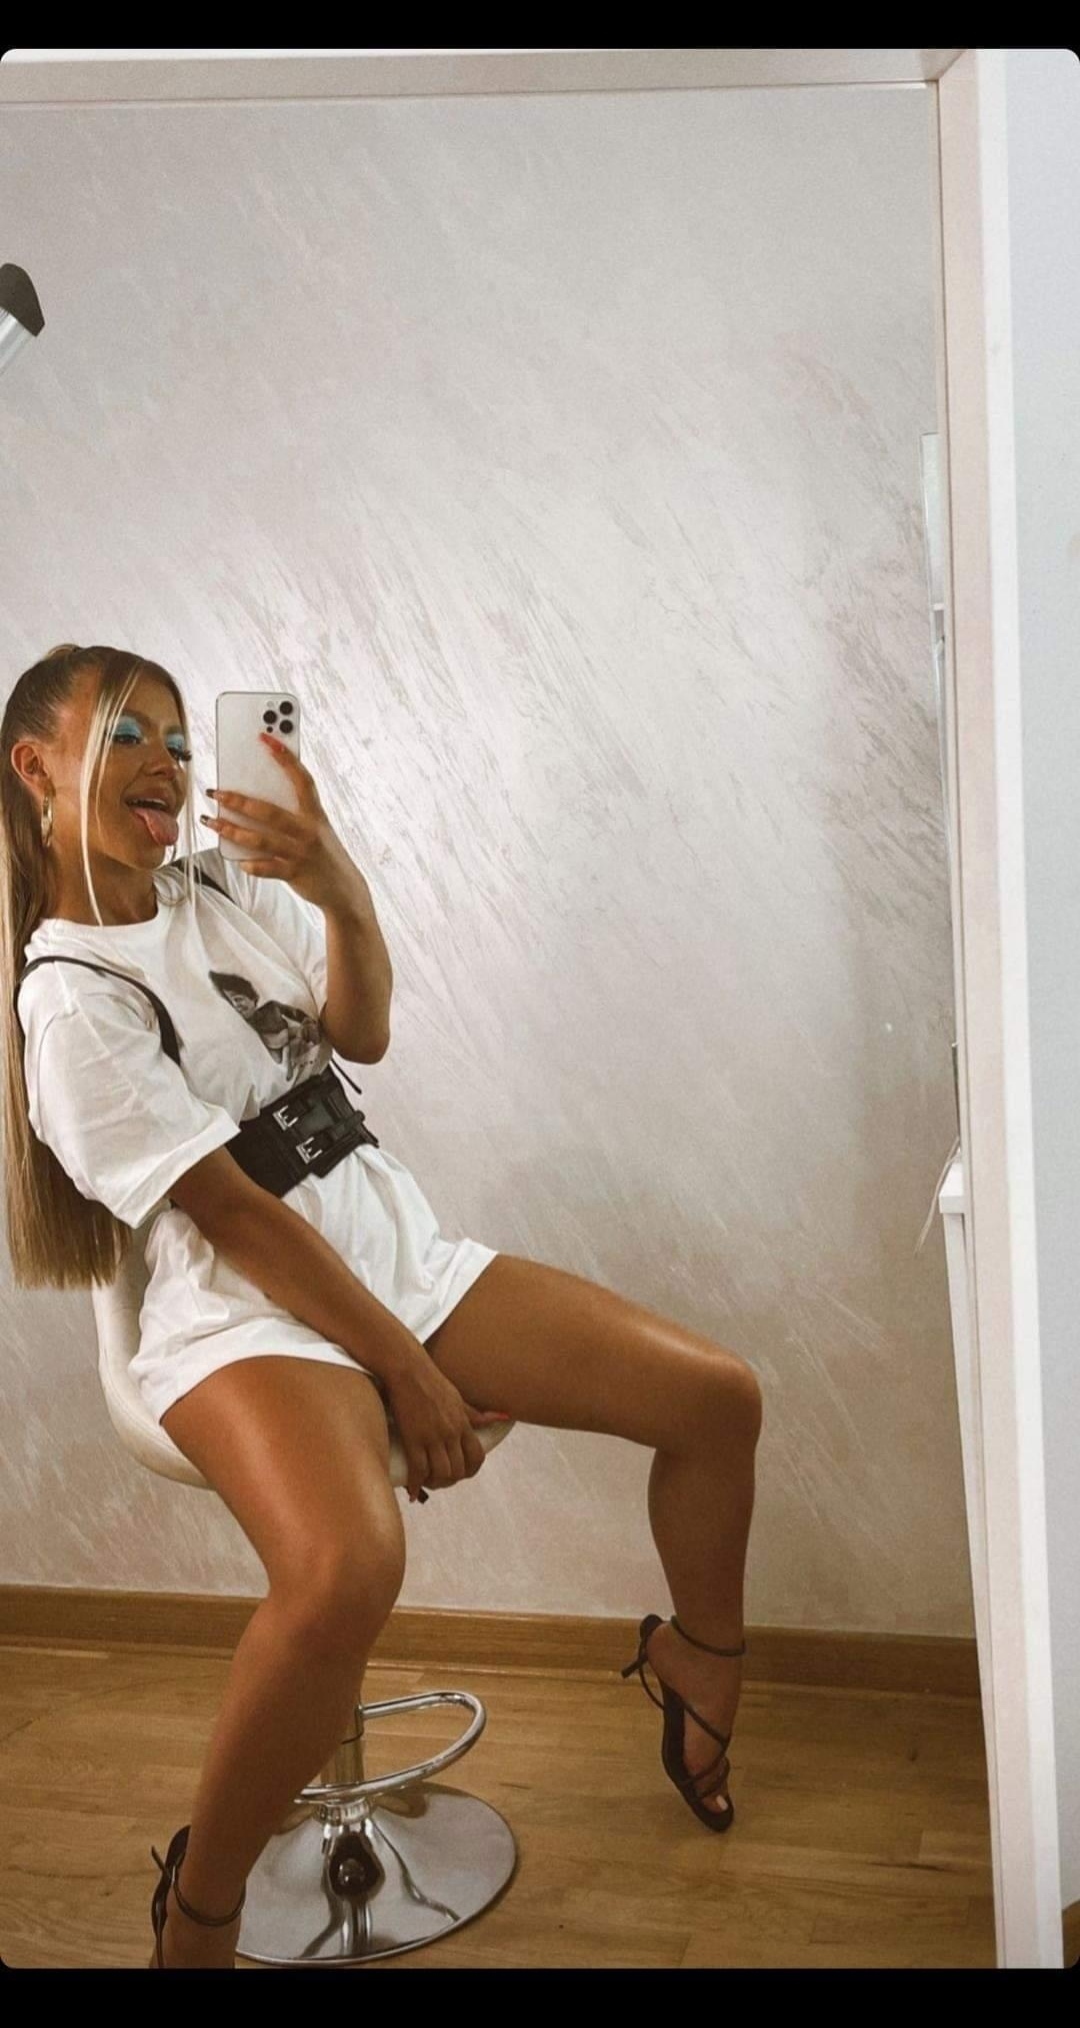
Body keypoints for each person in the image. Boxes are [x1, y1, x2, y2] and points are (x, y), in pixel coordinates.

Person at [1, 644, 764, 1969]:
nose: (167, 763)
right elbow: (238, 1219)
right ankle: (202, 1910)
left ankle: (700, 1656)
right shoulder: (70, 1000)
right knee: (347, 1568)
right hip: (242, 1312)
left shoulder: (225, 887)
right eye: (127, 733)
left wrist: (338, 884)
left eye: (179, 739)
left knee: (715, 1399)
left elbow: (360, 1035)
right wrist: (404, 1368)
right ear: (35, 767)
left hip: (392, 1254)